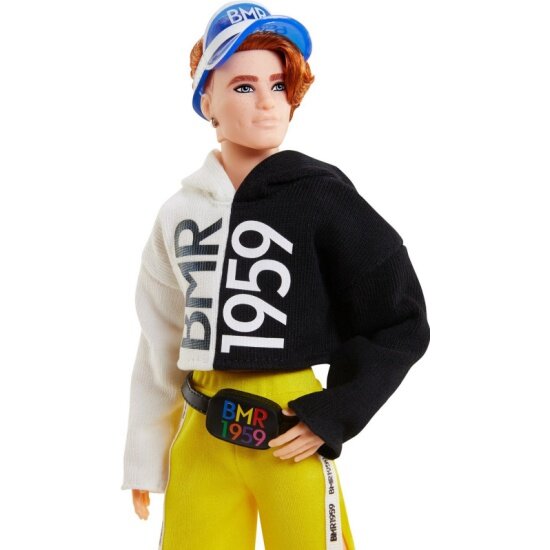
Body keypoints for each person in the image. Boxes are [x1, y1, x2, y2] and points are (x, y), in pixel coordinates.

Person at [121, 3, 430, 549]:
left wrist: (333, 413)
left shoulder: (322, 197)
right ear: (206, 101)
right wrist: (146, 454)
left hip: (289, 425)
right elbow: (161, 337)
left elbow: (399, 318)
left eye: (279, 85)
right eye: (243, 86)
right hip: (202, 428)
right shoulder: (180, 213)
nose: (267, 101)